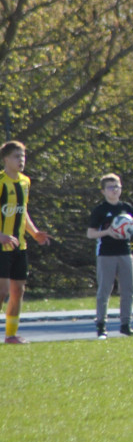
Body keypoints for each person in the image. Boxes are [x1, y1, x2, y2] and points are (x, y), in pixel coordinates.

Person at [0, 141, 52, 344]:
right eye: (16, 156)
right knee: (2, 291)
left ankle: (11, 335)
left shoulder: (25, 182)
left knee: (18, 291)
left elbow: (23, 211)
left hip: (19, 245)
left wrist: (34, 232)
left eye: (22, 156)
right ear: (5, 159)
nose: (21, 160)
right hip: (2, 246)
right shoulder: (1, 182)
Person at [86, 174, 133, 338]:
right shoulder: (100, 210)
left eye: (117, 186)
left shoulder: (127, 208)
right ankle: (101, 325)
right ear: (103, 191)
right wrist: (108, 232)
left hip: (125, 252)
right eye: (110, 187)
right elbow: (90, 233)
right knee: (105, 290)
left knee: (128, 290)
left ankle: (125, 325)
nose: (114, 190)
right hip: (106, 254)